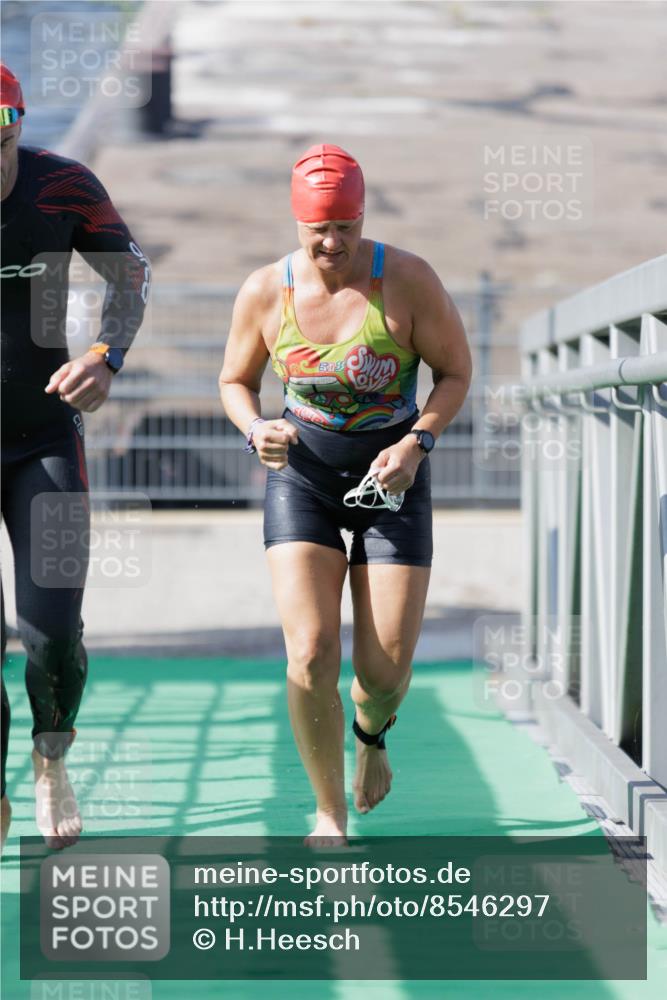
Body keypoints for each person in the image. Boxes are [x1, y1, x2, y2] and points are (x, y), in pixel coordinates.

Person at [220, 143, 471, 844]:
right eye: (317, 231)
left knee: (383, 671)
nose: (332, 243)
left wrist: (417, 442)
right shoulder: (265, 291)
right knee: (308, 653)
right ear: (295, 223)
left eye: (347, 228)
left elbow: (454, 372)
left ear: (363, 218)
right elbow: (233, 382)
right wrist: (254, 429)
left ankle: (371, 734)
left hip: (392, 481)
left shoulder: (409, 280)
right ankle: (328, 812)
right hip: (302, 478)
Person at [1, 64, 150, 849]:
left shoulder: (62, 188)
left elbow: (132, 274)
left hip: (43, 439)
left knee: (52, 633)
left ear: (16, 126)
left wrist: (106, 355)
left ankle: (50, 759)